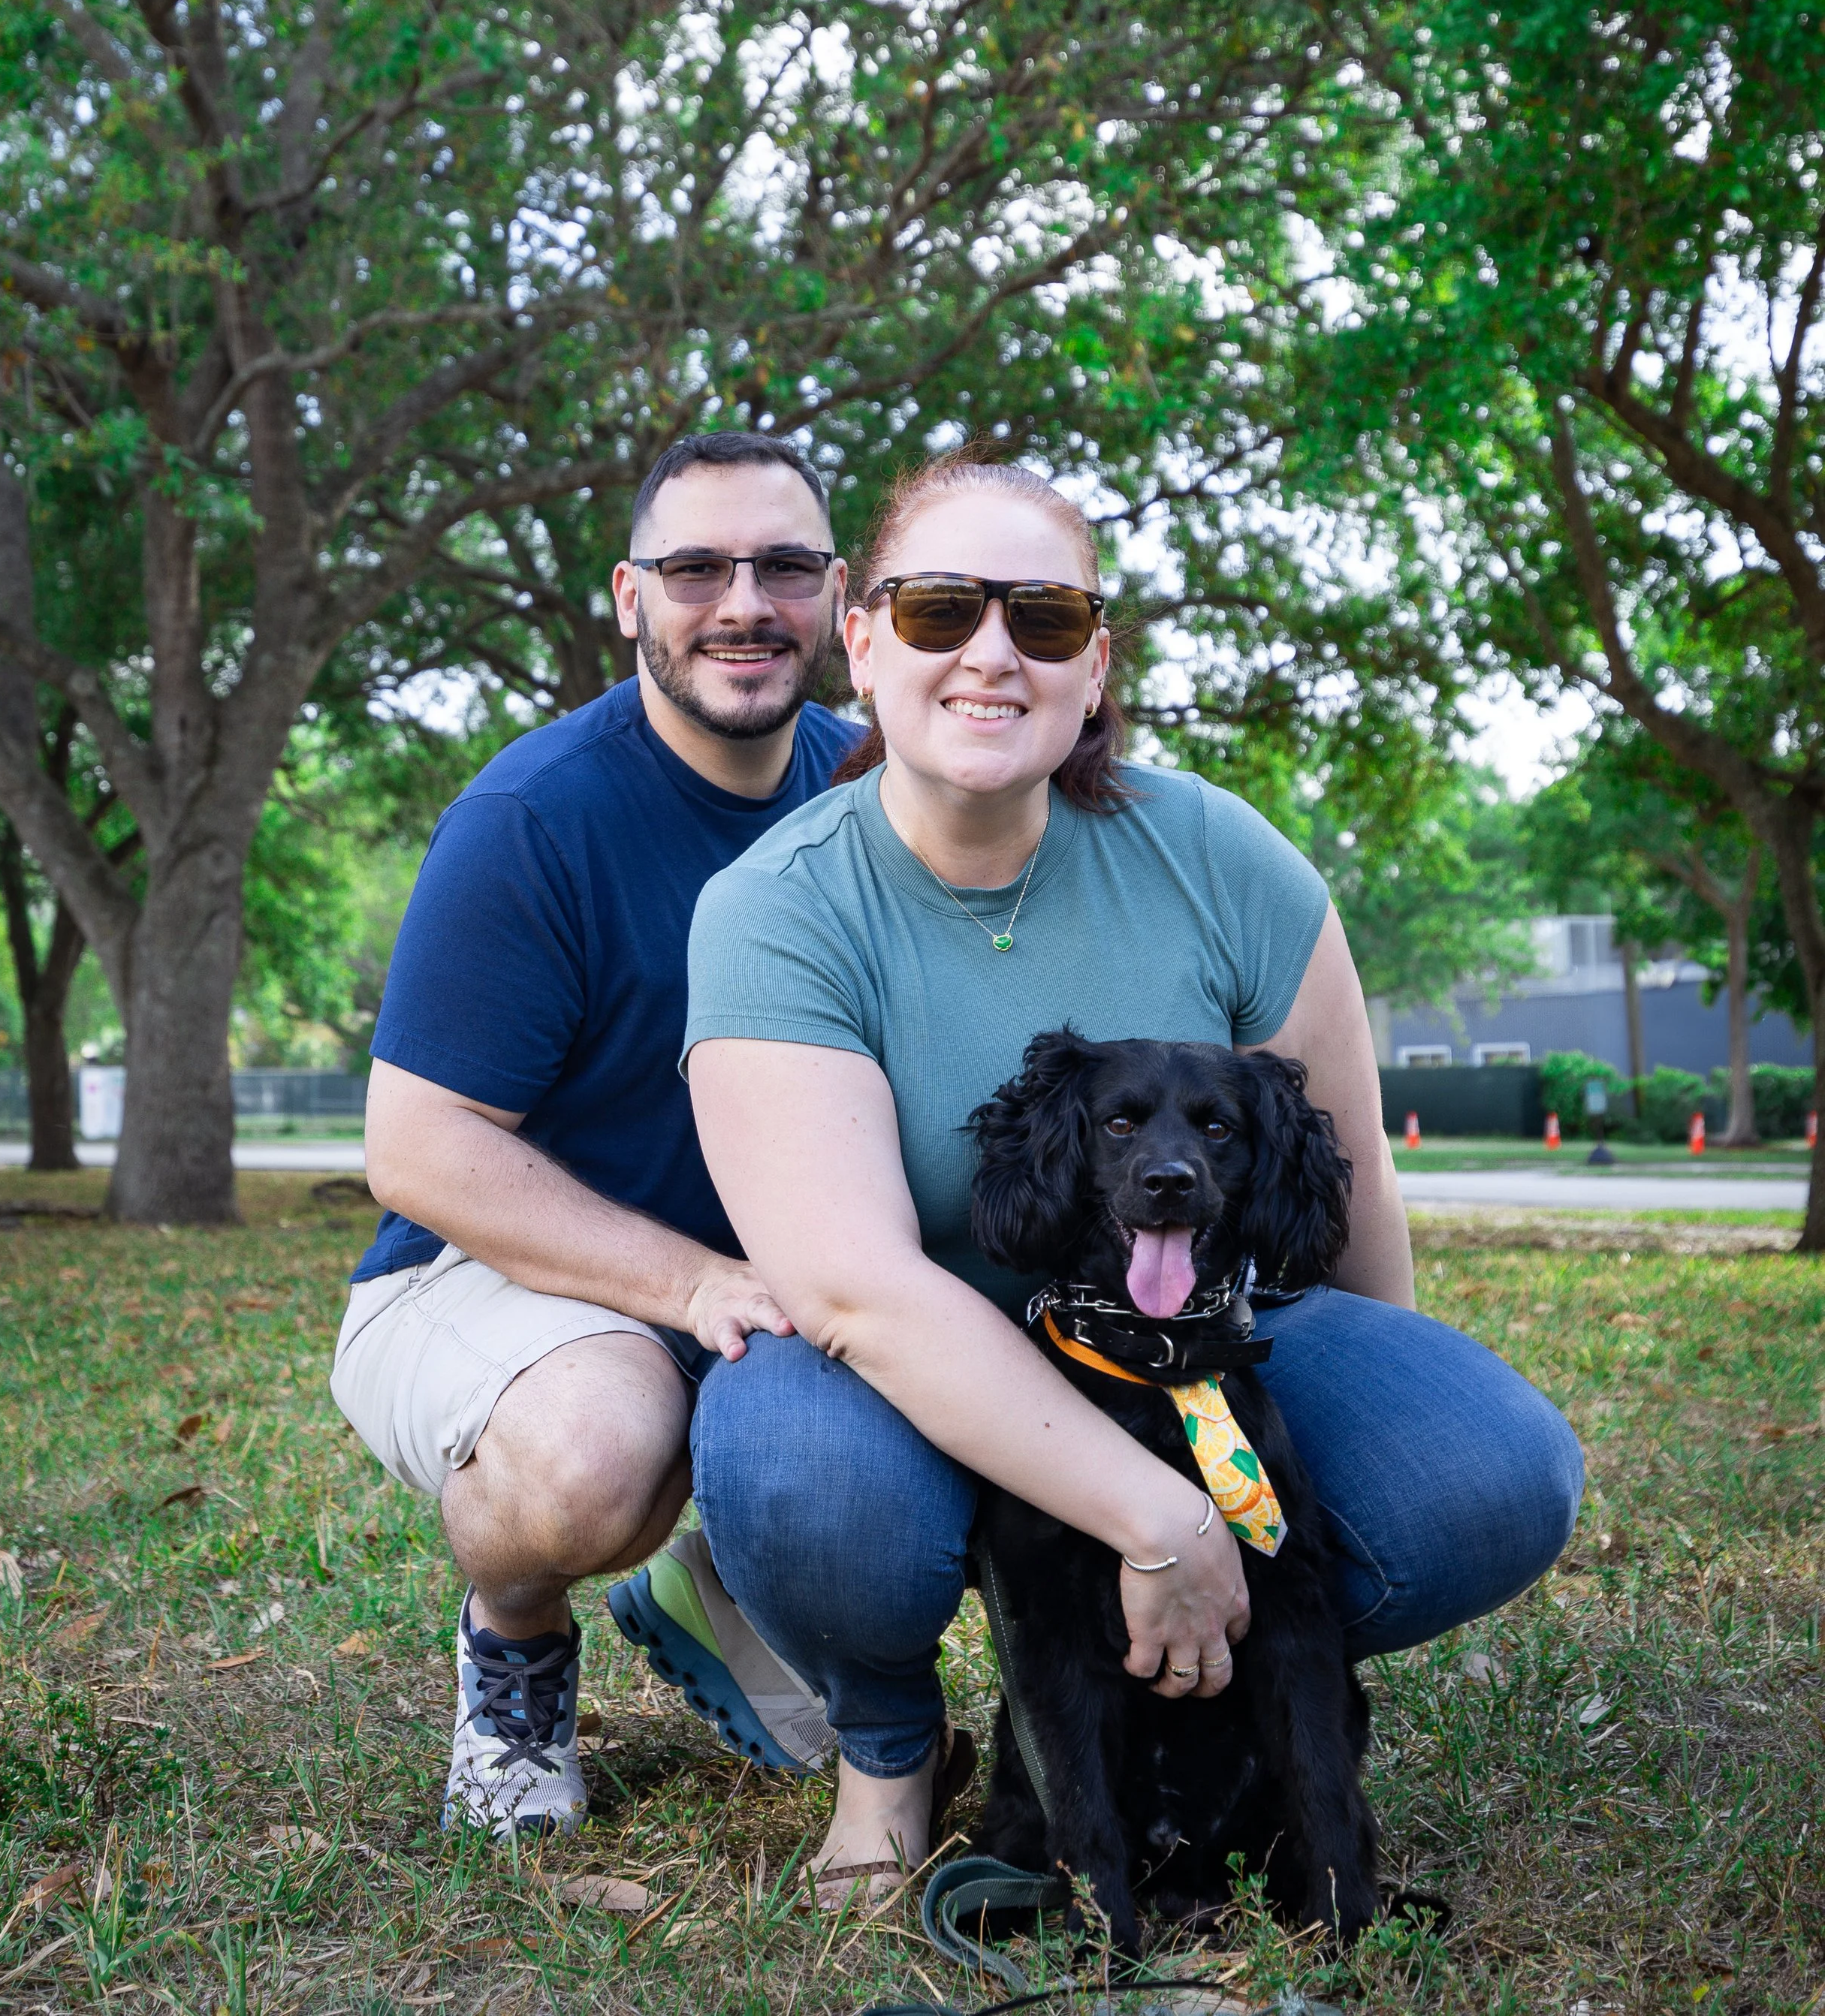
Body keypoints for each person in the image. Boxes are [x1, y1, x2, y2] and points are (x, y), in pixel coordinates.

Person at [678, 454, 1583, 1902]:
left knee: (1490, 1470)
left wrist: (1342, 1442)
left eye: (1042, 618)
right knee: (791, 1462)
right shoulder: (776, 909)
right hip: (895, 1381)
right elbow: (855, 1288)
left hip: (1187, 1347)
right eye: (937, 611)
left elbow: (1340, 1206)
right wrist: (1158, 1520)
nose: (990, 652)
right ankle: (891, 1749)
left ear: (1094, 661)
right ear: (860, 635)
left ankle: (1228, 1729)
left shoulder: (1220, 853)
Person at [332, 432, 861, 1834]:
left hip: (774, 1291)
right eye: (697, 567)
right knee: (593, 1456)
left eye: (784, 565)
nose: (743, 600)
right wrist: (690, 1286)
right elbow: (423, 1152)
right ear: (631, 597)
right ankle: (513, 1643)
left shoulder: (885, 792)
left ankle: (722, 1590)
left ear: (840, 594)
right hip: (489, 1273)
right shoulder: (531, 817)